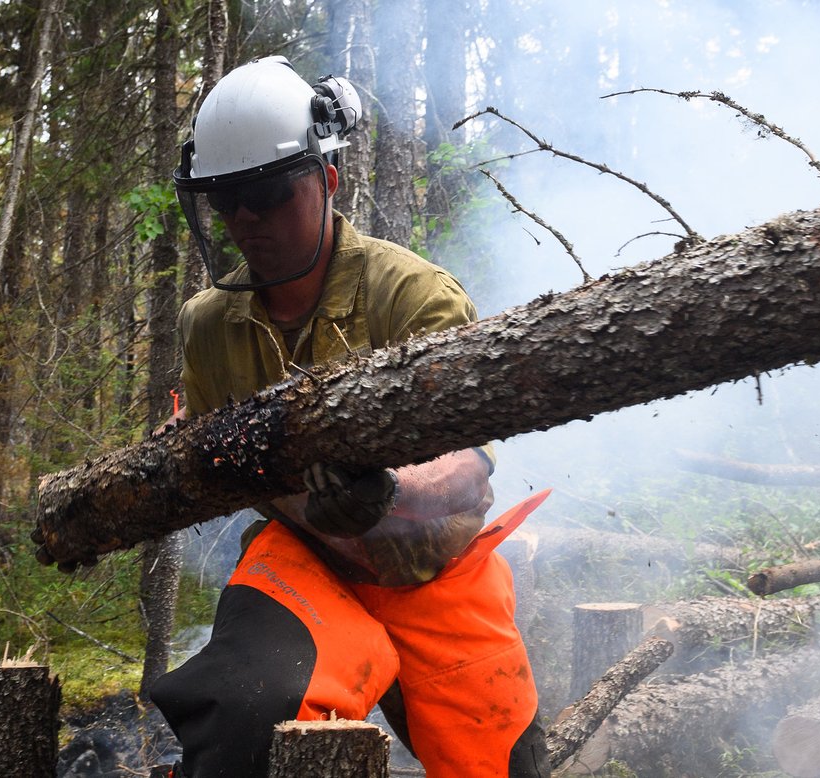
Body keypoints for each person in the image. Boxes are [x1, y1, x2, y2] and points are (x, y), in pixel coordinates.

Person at [146, 56, 550, 777]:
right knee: (244, 711)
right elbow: (202, 446)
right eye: (227, 200)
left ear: (327, 177)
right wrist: (171, 462)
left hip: (432, 570)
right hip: (306, 559)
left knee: (501, 764)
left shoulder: (412, 294)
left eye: (267, 193)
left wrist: (390, 490)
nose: (246, 219)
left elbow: (467, 465)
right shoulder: (208, 325)